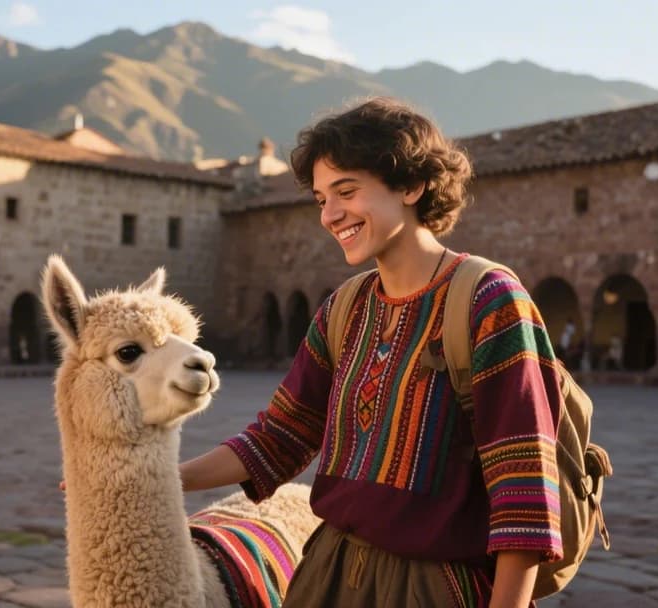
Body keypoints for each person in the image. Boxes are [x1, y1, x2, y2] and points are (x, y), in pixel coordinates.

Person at [179, 98, 563, 607]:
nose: (330, 214)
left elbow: (523, 484)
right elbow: (279, 437)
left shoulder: (489, 301)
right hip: (328, 577)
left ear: (411, 185)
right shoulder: (344, 308)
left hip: (435, 588)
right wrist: (156, 479)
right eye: (320, 199)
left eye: (346, 191)